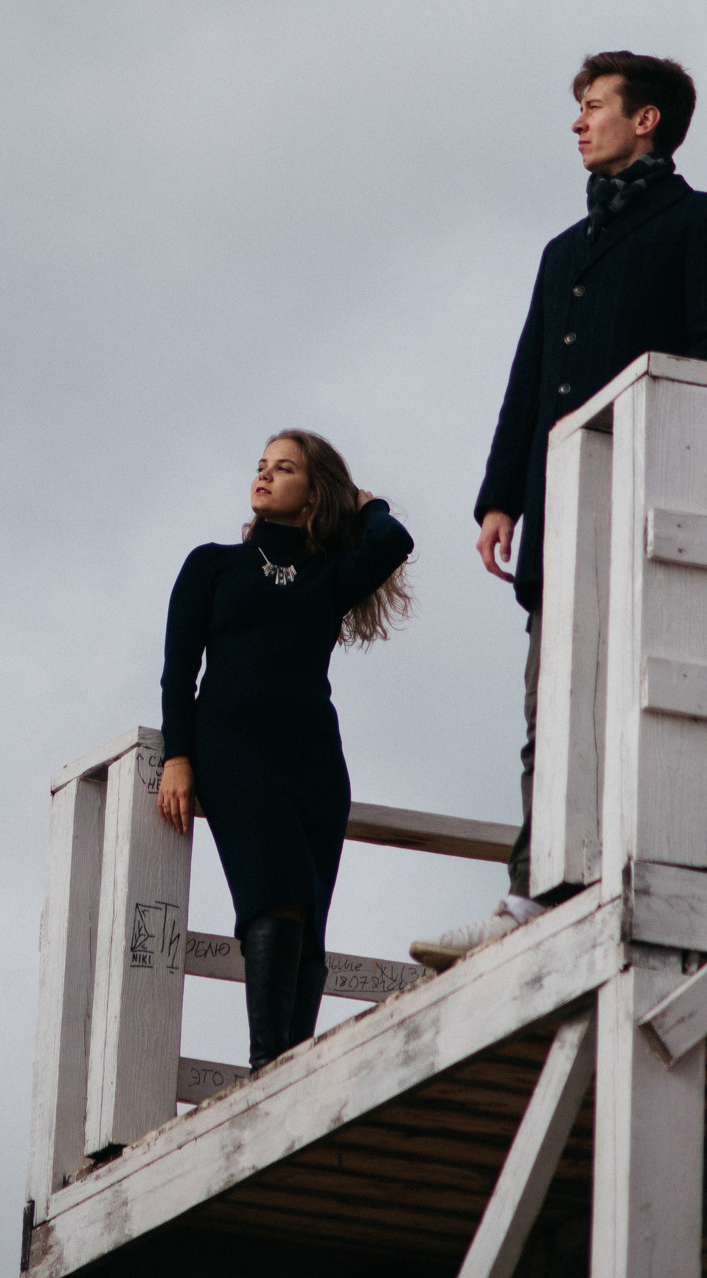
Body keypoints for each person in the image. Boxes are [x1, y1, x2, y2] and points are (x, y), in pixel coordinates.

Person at [411, 51, 707, 967]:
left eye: (594, 106)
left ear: (645, 120)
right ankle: (535, 892)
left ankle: (610, 884)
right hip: (553, 512)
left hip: (649, 504)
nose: (577, 121)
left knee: (634, 708)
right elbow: (530, 378)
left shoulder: (706, 223)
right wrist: (497, 496)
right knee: (548, 711)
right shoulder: (562, 249)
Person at [158, 430, 413, 1071]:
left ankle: (290, 1074)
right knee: (275, 893)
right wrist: (178, 757)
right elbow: (177, 674)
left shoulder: (329, 575)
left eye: (285, 468)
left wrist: (364, 502)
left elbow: (393, 541)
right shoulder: (212, 564)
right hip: (233, 747)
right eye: (261, 466)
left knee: (308, 919)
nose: (264, 476)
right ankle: (268, 1067)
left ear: (313, 494)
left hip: (314, 763)